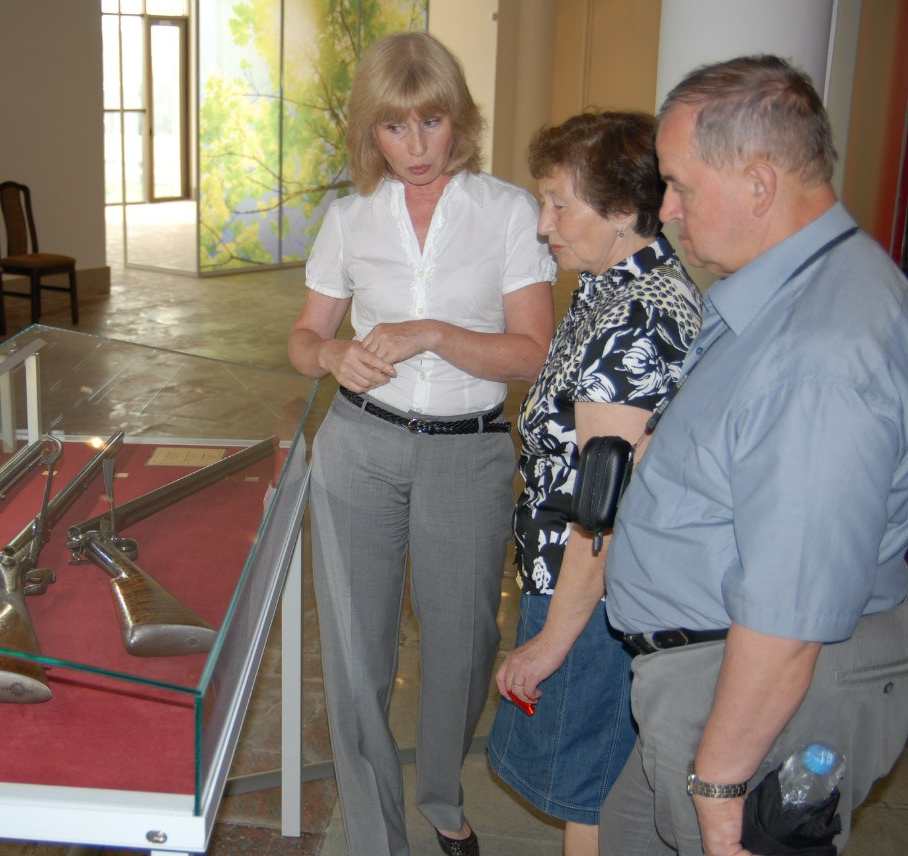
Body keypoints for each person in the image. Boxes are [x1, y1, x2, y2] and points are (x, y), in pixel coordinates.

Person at [601, 54, 908, 855]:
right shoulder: (798, 289)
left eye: (680, 185)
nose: (667, 209)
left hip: (750, 697)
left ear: (759, 185)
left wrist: (719, 781)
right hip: (709, 675)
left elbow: (790, 613)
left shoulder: (821, 352)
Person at [288, 31, 555, 856]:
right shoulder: (350, 218)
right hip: (359, 446)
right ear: (371, 130)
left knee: (464, 646)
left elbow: (533, 353)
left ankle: (442, 794)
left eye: (431, 122)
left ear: (458, 120)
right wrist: (332, 356)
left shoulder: (508, 212)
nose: (415, 146)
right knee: (356, 654)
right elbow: (304, 337)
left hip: (468, 452)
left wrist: (434, 332)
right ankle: (376, 835)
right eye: (395, 127)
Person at [486, 111, 703, 856]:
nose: (543, 223)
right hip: (582, 584)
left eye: (559, 203)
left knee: (594, 799)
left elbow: (604, 507)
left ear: (620, 209)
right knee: (598, 792)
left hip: (594, 597)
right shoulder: (610, 286)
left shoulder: (635, 317)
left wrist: (553, 640)